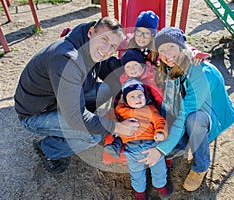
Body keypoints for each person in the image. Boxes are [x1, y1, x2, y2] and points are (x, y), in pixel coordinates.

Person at [14, 17, 140, 174]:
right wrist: (117, 126)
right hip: (36, 114)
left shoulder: (89, 46)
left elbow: (108, 70)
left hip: (58, 99)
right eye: (104, 39)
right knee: (93, 136)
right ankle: (47, 149)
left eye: (113, 46)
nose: (107, 49)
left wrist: (129, 89)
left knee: (106, 88)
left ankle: (82, 121)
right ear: (91, 32)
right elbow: (76, 118)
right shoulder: (66, 59)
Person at [138, 27, 234, 192]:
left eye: (171, 47)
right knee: (173, 128)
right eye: (161, 50)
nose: (166, 53)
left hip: (210, 112)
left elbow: (183, 115)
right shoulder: (172, 66)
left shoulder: (201, 74)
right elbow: (169, 101)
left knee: (194, 121)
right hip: (188, 106)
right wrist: (160, 126)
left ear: (181, 47)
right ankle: (182, 142)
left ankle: (201, 166)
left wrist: (161, 149)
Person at [113, 78, 171, 200]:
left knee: (159, 168)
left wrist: (160, 132)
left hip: (151, 144)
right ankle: (140, 192)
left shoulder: (150, 109)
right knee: (136, 173)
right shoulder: (121, 110)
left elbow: (160, 121)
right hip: (131, 149)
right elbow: (110, 118)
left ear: (145, 96)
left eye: (140, 95)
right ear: (126, 100)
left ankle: (160, 186)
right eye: (132, 97)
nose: (137, 99)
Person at [104, 49, 163, 158]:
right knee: (124, 119)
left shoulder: (149, 78)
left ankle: (156, 142)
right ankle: (117, 143)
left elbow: (158, 96)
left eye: (135, 65)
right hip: (132, 106)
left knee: (148, 123)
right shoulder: (125, 78)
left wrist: (161, 110)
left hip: (148, 108)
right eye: (128, 67)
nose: (132, 70)